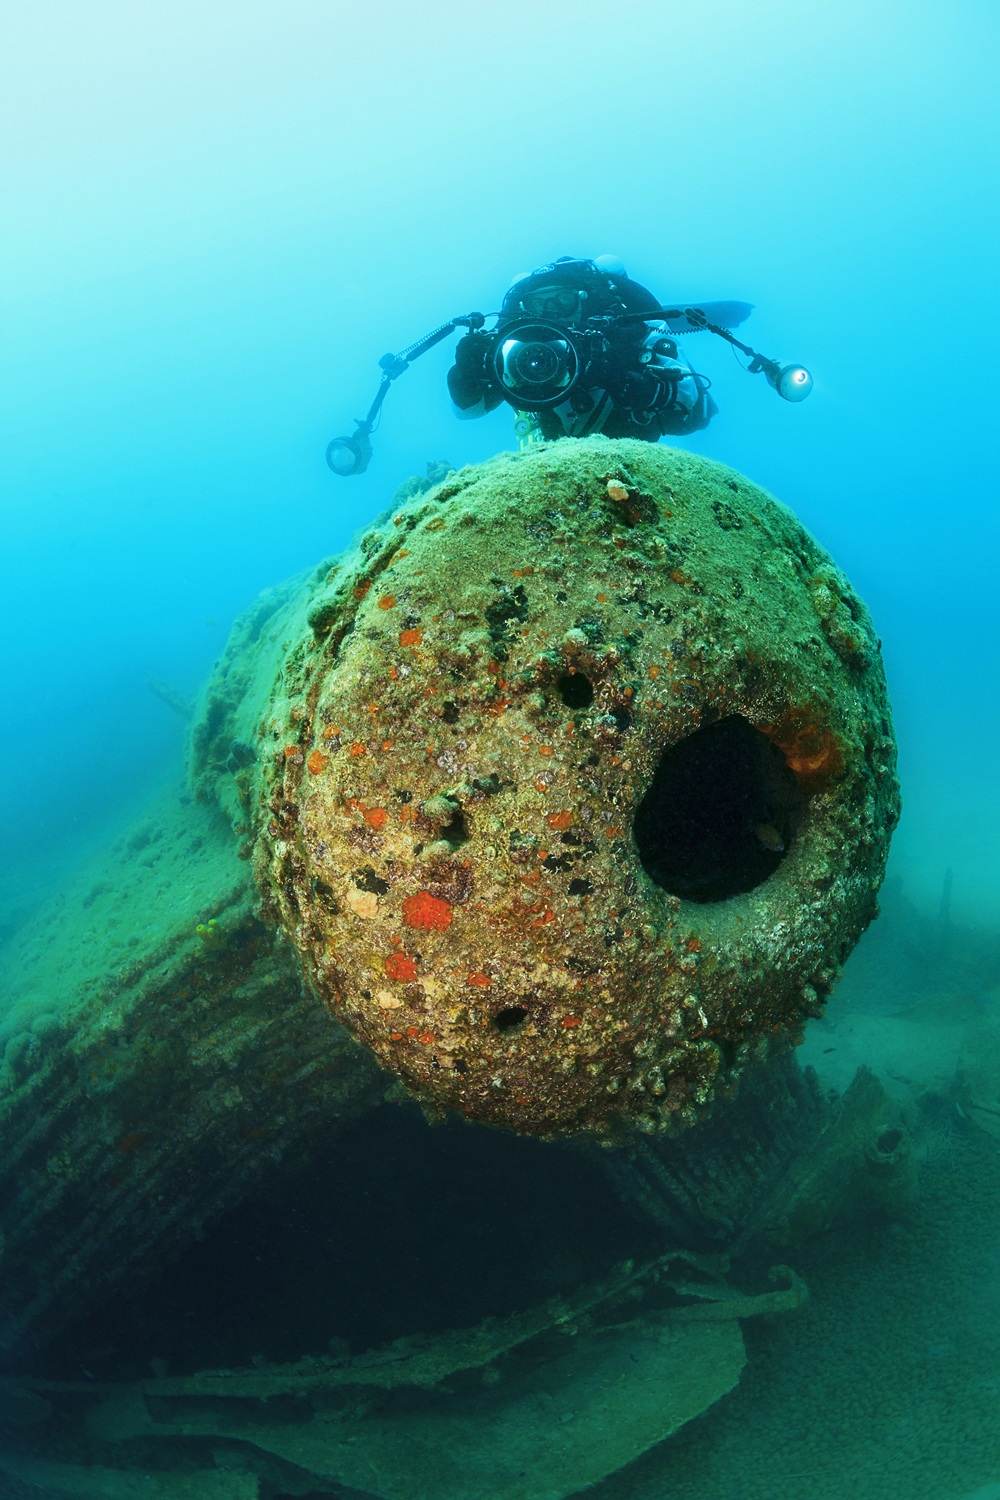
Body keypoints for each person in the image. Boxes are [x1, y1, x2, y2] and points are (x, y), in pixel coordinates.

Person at [446, 254, 719, 443]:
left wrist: (622, 380)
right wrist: (465, 374)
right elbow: (469, 412)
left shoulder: (627, 333)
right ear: (524, 309)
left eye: (562, 300)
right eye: (538, 305)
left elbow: (692, 403)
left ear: (583, 300)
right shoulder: (519, 348)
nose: (550, 312)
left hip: (630, 447)